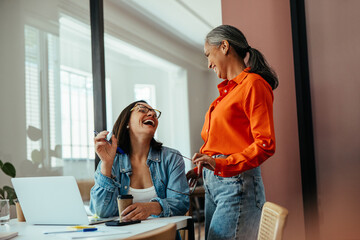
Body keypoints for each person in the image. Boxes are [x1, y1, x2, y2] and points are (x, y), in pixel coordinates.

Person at [186, 25, 279, 240]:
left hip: (237, 183)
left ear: (225, 46)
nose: (208, 63)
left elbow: (265, 144)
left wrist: (219, 164)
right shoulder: (227, 93)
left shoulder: (254, 84)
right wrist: (202, 168)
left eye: (208, 54)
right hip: (214, 183)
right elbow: (223, 142)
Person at [90, 100, 189, 221]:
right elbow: (102, 212)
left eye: (154, 113)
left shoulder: (171, 158)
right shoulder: (111, 161)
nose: (152, 114)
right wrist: (106, 164)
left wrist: (151, 207)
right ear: (127, 122)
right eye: (142, 110)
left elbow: (181, 203)